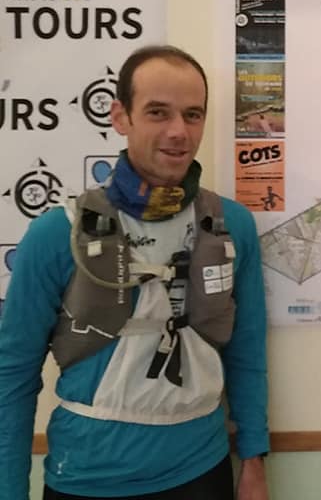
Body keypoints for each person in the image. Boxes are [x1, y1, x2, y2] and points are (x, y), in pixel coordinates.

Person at [0, 45, 270, 500]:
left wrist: (254, 460)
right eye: (158, 112)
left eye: (193, 115)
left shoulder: (232, 226)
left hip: (202, 472)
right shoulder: (57, 234)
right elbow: (12, 375)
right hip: (87, 478)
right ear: (120, 117)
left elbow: (248, 350)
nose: (178, 132)